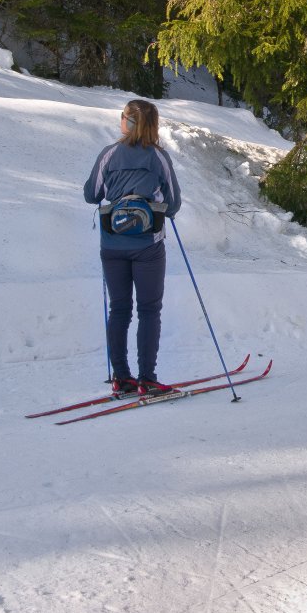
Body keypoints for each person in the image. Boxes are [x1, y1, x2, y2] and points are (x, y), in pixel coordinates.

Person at [83, 99, 182, 396]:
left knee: (119, 309)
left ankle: (121, 378)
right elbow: (173, 202)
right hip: (147, 244)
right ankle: (147, 379)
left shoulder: (109, 154)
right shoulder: (158, 157)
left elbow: (92, 194)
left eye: (123, 117)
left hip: (112, 242)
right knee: (149, 310)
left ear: (127, 121)